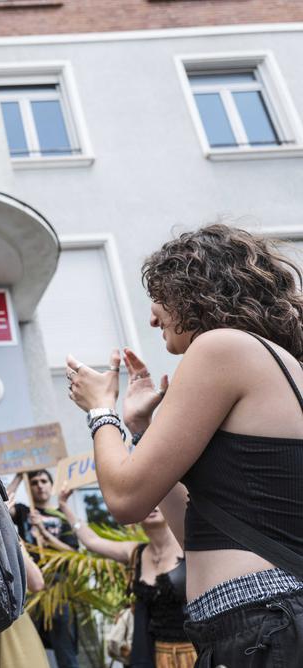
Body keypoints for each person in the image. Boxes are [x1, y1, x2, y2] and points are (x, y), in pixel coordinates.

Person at [65, 224, 303, 665]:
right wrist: (139, 427)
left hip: (263, 624)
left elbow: (125, 500)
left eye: (159, 298)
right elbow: (194, 536)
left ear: (192, 290)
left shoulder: (222, 347)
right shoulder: (265, 360)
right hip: (254, 625)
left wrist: (100, 410)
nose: (153, 319)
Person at [58, 490, 193, 667]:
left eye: (158, 500)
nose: (153, 505)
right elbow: (92, 541)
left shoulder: (189, 545)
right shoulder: (136, 552)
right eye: (147, 502)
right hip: (157, 656)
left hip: (195, 652)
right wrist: (64, 506)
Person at [6, 470, 79, 668]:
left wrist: (44, 533)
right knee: (29, 644)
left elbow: (73, 551)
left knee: (65, 646)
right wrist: (19, 475)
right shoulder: (24, 511)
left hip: (57, 587)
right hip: (31, 586)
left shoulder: (61, 515)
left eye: (44, 481)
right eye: (34, 482)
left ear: (51, 485)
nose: (39, 485)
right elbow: (2, 504)